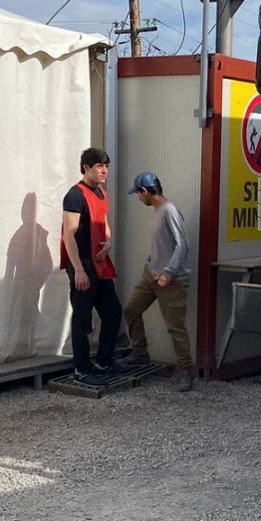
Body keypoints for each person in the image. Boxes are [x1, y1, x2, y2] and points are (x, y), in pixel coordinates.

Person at [122, 171, 194, 392]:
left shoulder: (169, 211)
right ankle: (140, 353)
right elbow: (162, 244)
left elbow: (182, 244)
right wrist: (151, 261)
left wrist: (169, 272)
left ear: (145, 191)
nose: (138, 198)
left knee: (175, 328)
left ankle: (185, 371)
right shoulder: (157, 212)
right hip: (151, 274)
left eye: (138, 194)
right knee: (131, 309)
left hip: (170, 280)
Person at [61, 148, 123, 385]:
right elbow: (69, 234)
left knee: (113, 311)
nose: (104, 170)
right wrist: (77, 269)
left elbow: (104, 222)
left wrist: (108, 240)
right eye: (99, 166)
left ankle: (104, 362)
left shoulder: (100, 192)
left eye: (106, 166)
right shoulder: (75, 195)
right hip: (83, 263)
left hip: (99, 262)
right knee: (82, 317)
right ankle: (81, 369)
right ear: (86, 167)